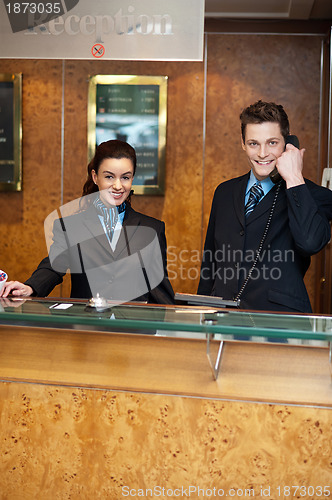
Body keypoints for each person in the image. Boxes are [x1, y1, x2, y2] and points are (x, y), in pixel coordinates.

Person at [1, 140, 174, 304]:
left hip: (134, 329)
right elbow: (53, 267)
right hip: (87, 328)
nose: (118, 186)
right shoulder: (71, 227)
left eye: (125, 177)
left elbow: (159, 288)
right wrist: (30, 287)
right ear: (95, 176)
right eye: (109, 177)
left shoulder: (152, 228)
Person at [197, 100, 332, 312]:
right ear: (242, 143)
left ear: (288, 145)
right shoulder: (224, 192)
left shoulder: (315, 195)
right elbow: (210, 262)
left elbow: (310, 243)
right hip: (223, 319)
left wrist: (295, 178)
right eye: (253, 143)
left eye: (272, 143)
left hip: (279, 324)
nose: (262, 153)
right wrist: (201, 311)